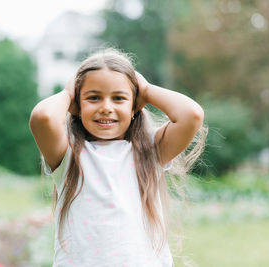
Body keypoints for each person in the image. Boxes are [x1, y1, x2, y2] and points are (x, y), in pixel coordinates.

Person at [29, 49, 206, 267]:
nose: (106, 107)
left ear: (135, 106)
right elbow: (42, 117)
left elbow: (192, 115)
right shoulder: (68, 155)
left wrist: (147, 91)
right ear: (77, 105)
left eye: (119, 98)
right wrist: (68, 92)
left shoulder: (149, 151)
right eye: (93, 98)